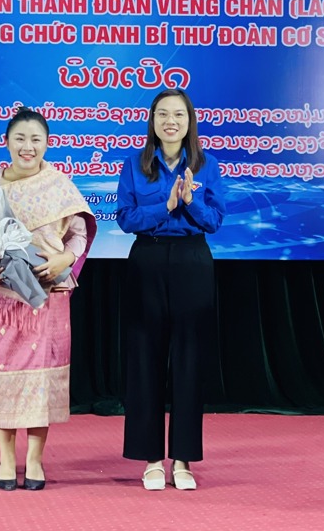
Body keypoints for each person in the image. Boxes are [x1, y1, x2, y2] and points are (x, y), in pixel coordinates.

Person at [0, 107, 96, 491]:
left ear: (47, 144)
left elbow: (79, 233)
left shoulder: (59, 185)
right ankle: (6, 460)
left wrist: (65, 259)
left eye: (36, 139)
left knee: (40, 380)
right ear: (6, 143)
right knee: (2, 377)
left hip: (47, 297)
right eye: (20, 139)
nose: (28, 147)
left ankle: (35, 461)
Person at [115, 88, 225, 491]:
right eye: (163, 114)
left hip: (192, 261)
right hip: (147, 259)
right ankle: (150, 460)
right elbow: (126, 218)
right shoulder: (135, 164)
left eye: (178, 114)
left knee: (189, 359)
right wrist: (165, 205)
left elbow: (213, 221)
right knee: (145, 357)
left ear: (189, 121)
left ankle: (182, 459)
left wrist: (190, 201)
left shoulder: (207, 165)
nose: (170, 122)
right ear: (153, 120)